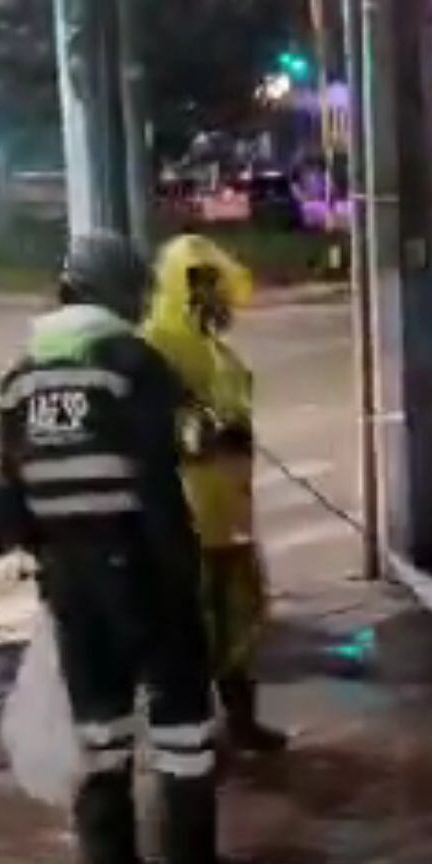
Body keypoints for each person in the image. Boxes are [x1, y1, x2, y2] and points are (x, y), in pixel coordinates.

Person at [0, 233, 244, 864]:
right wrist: (185, 579)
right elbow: (160, 485)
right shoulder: (132, 363)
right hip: (141, 570)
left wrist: (50, 564)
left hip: (71, 584)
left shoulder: (18, 376)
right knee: (183, 732)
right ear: (119, 295)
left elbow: (8, 500)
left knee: (99, 735)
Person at [143, 235, 289, 756]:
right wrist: (202, 437)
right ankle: (189, 736)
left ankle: (242, 723)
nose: (214, 300)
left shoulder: (221, 354)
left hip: (230, 513)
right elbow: (154, 426)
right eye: (200, 286)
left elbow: (235, 411)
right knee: (192, 631)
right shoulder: (156, 347)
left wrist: (237, 435)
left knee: (239, 625)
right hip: (187, 517)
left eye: (215, 286)